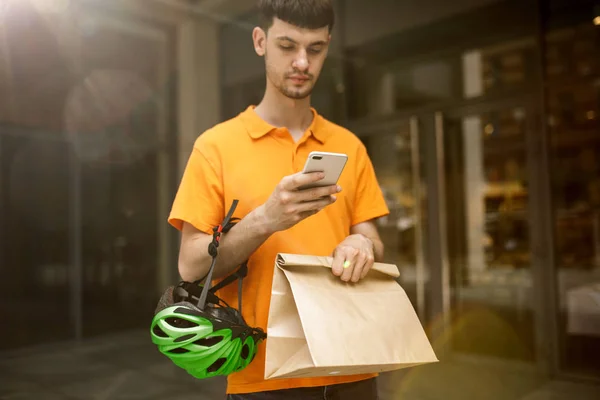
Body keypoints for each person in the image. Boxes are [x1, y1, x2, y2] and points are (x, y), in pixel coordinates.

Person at [168, 0, 389, 398]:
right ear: (260, 41)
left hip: (352, 363)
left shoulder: (349, 146)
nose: (302, 62)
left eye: (315, 49)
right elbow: (190, 265)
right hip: (262, 376)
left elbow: (371, 235)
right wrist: (264, 219)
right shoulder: (214, 147)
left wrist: (363, 244)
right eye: (287, 46)